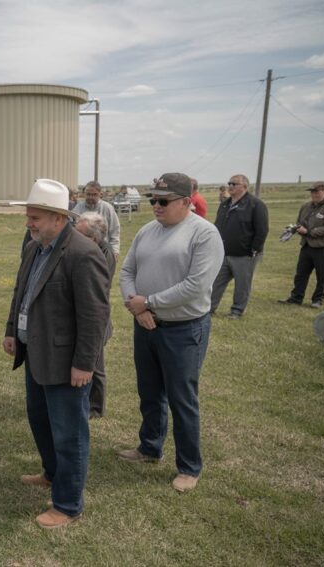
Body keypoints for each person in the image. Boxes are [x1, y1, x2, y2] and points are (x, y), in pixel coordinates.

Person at [3, 179, 110, 529]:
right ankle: (51, 473)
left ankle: (67, 504)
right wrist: (11, 332)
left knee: (69, 432)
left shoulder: (83, 253)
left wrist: (84, 363)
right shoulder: (35, 248)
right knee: (39, 419)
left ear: (57, 218)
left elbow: (95, 315)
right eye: (29, 216)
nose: (28, 223)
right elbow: (22, 292)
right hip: (35, 352)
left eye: (35, 217)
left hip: (67, 362)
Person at [118, 172, 223, 493]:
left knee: (182, 399)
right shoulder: (148, 231)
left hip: (183, 329)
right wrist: (140, 309)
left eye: (163, 201)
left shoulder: (204, 234)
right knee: (149, 392)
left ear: (186, 202)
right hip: (146, 325)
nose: (156, 206)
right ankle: (150, 446)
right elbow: (127, 271)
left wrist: (148, 303)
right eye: (153, 200)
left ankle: (189, 467)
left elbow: (195, 286)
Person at [210, 174, 269, 318]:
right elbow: (218, 225)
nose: (230, 186)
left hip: (245, 255)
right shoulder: (225, 204)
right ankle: (208, 308)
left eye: (234, 184)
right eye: (229, 183)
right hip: (224, 253)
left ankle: (237, 311)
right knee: (216, 282)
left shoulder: (256, 204)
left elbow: (262, 230)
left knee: (242, 285)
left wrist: (254, 250)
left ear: (245, 186)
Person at [75, 212, 116, 418]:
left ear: (93, 239)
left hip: (96, 321)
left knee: (95, 364)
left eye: (79, 234)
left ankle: (96, 408)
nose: (74, 236)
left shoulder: (103, 254)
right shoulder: (88, 249)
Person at [279, 182, 324, 308]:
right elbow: (299, 222)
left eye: (317, 191)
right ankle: (296, 298)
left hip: (323, 246)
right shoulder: (306, 206)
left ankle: (317, 300)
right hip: (306, 245)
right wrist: (294, 228)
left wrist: (311, 232)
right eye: (312, 192)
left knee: (321, 275)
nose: (314, 194)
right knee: (301, 274)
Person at [71, 181, 121, 259]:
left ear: (100, 194)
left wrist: (115, 250)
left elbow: (114, 230)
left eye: (94, 194)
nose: (90, 197)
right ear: (84, 194)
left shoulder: (108, 208)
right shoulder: (77, 209)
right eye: (88, 194)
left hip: (103, 252)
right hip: (82, 252)